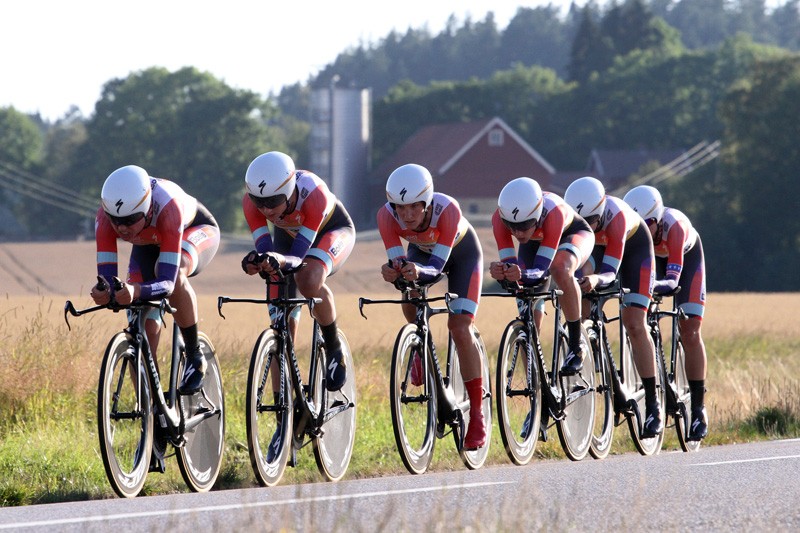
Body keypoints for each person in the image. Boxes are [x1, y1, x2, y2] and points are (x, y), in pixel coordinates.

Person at [92, 164, 221, 472]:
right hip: (148, 246)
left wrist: (135, 291)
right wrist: (106, 291)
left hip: (191, 231)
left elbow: (164, 282)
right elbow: (108, 277)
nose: (123, 229)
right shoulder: (105, 218)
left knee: (176, 278)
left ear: (146, 208)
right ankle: (154, 418)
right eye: (117, 222)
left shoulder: (168, 208)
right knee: (145, 327)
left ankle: (194, 355)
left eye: (131, 220)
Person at [377, 163, 487, 450]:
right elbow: (397, 262)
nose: (407, 215)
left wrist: (413, 271)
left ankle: (477, 415)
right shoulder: (385, 217)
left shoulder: (447, 210)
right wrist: (393, 272)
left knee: (459, 327)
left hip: (461, 255)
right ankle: (419, 348)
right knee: (408, 289)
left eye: (414, 207)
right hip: (423, 253)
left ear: (427, 203)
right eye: (400, 208)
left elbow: (436, 267)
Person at [241, 151, 355, 393]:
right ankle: (285, 413)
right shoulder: (253, 203)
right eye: (259, 202)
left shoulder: (315, 195)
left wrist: (277, 260)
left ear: (291, 189)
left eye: (273, 201)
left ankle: (334, 347)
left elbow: (297, 258)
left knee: (308, 278)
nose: (266, 209)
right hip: (288, 235)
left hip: (330, 231)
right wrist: (256, 262)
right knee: (280, 327)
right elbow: (265, 251)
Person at [564, 176, 663, 438]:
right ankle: (605, 376)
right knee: (581, 308)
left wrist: (594, 280)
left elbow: (608, 272)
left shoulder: (615, 216)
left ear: (601, 209)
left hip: (633, 252)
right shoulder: (582, 224)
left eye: (593, 222)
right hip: (595, 252)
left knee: (633, 323)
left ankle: (653, 405)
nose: (589, 227)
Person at [624, 185, 708, 440]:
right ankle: (652, 402)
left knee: (690, 330)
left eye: (647, 223)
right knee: (635, 321)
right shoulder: (637, 234)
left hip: (684, 261)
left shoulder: (675, 227)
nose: (642, 228)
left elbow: (673, 280)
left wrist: (649, 286)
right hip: (649, 260)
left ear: (658, 219)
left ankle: (699, 408)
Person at [490, 177, 595, 373]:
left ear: (537, 215)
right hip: (534, 244)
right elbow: (511, 267)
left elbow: (541, 270)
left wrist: (520, 273)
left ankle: (575, 344)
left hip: (572, 235)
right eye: (511, 226)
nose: (518, 233)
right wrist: (502, 273)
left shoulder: (554, 213)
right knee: (529, 318)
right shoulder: (499, 219)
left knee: (560, 268)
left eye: (525, 224)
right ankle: (536, 386)